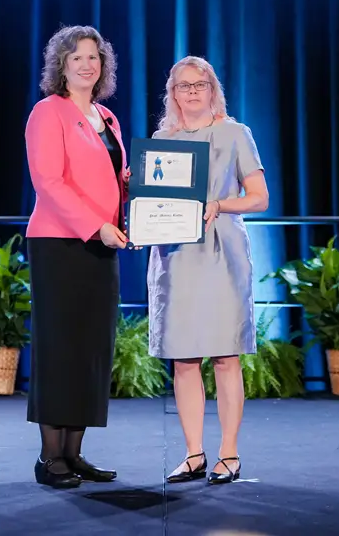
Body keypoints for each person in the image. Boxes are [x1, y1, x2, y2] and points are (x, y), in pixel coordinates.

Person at [146, 56, 269, 485]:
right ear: (173, 92)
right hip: (176, 255)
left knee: (225, 355)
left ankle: (228, 454)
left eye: (200, 85)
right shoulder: (163, 139)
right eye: (184, 86)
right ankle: (194, 453)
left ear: (213, 90)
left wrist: (218, 205)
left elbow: (259, 197)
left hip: (222, 252)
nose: (192, 92)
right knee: (183, 359)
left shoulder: (235, 134)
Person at [24, 24, 130, 489]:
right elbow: (49, 183)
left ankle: (75, 453)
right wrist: (95, 226)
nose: (88, 64)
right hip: (60, 244)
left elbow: (115, 180)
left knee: (91, 350)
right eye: (77, 58)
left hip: (102, 243)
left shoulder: (108, 118)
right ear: (61, 66)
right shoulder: (49, 113)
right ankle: (51, 458)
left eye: (94, 57)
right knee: (60, 349)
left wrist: (143, 202)